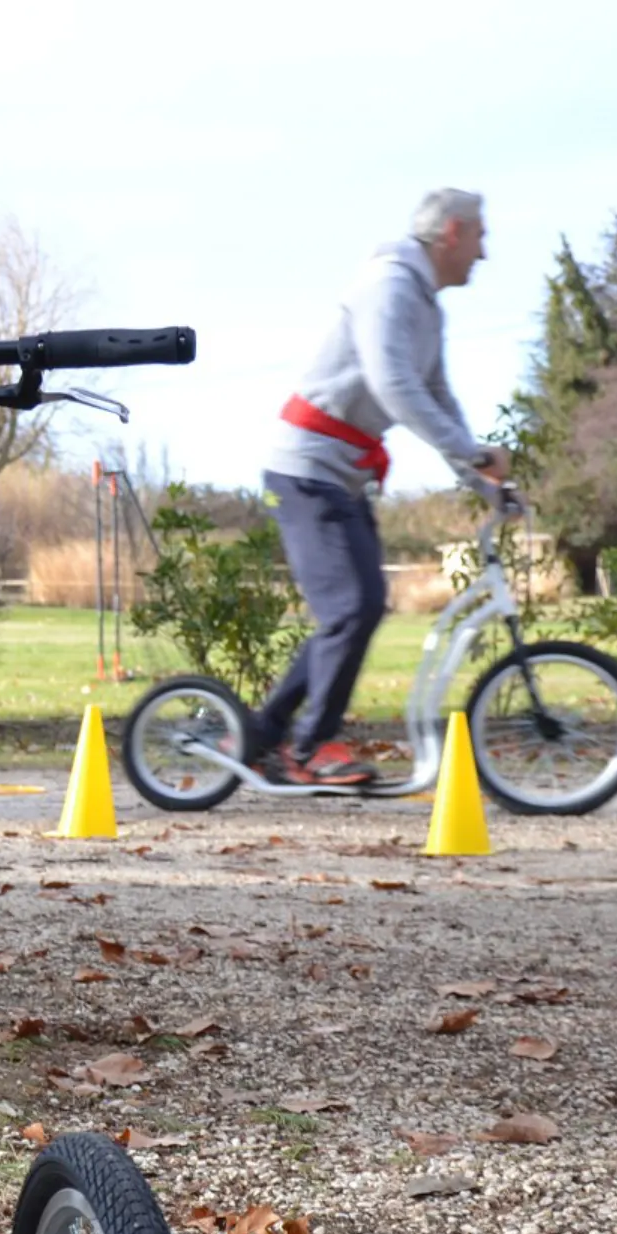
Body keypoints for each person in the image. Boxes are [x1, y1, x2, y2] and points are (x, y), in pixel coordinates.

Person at [249, 189, 510, 787]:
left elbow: (437, 396)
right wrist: (472, 455)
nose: (484, 253)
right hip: (306, 469)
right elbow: (393, 385)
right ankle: (310, 749)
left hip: (341, 475)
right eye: (480, 237)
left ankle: (261, 736)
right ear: (452, 232)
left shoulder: (426, 307)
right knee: (352, 608)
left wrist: (484, 481)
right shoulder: (388, 285)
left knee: (359, 608)